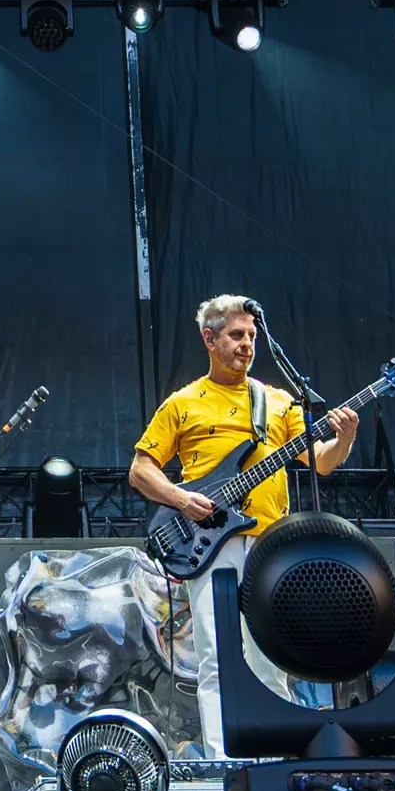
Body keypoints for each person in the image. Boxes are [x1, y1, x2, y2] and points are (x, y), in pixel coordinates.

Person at [127, 294, 360, 755]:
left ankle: (278, 756)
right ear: (209, 339)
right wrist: (181, 498)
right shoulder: (184, 402)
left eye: (252, 336)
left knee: (272, 655)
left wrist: (345, 437)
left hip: (271, 541)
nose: (247, 344)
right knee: (217, 656)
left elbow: (321, 462)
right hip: (210, 541)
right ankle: (222, 762)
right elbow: (141, 470)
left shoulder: (278, 401)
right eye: (237, 335)